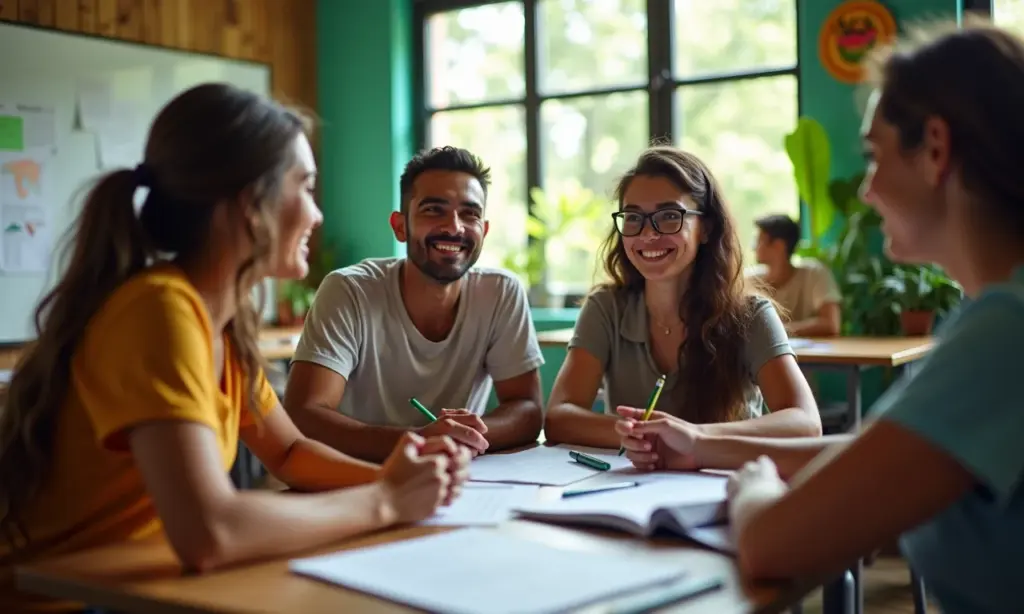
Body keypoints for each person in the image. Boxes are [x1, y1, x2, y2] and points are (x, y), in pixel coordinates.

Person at [0, 84, 469, 613]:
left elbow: (290, 453)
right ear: (252, 203)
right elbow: (209, 532)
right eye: (306, 188)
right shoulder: (159, 311)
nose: (317, 214)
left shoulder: (218, 322)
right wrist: (384, 501)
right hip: (58, 602)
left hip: (141, 587)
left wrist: (401, 480)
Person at [616, 19, 1024, 614]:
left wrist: (753, 488)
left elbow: (768, 545)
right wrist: (701, 444)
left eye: (873, 156)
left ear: (936, 149)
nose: (867, 190)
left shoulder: (1004, 334)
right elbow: (870, 455)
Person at [544, 146, 821, 450]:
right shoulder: (606, 308)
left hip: (724, 487)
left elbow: (805, 423)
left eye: (668, 216)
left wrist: (693, 438)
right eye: (634, 218)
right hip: (628, 490)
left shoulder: (751, 314)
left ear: (706, 228)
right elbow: (559, 417)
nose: (648, 234)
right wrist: (644, 435)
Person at [284, 146, 545, 463]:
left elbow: (528, 410)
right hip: (357, 477)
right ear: (399, 226)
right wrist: (418, 441)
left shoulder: (502, 293)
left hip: (457, 480)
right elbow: (305, 414)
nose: (454, 227)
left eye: (469, 213)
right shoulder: (349, 290)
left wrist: (460, 437)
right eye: (434, 210)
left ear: (484, 230)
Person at [751, 214, 842, 337]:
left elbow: (830, 324)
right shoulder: (750, 280)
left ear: (779, 245)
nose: (754, 248)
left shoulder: (814, 274)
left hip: (809, 355)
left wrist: (776, 332)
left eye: (759, 241)